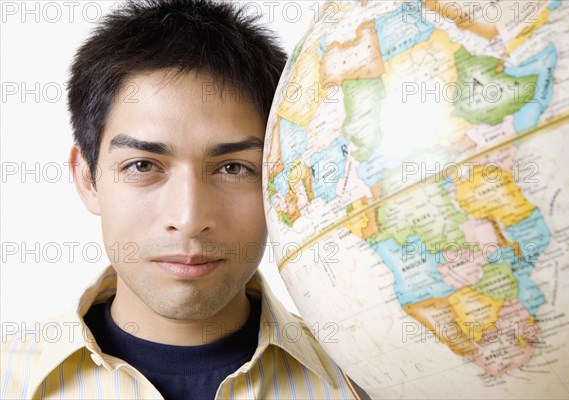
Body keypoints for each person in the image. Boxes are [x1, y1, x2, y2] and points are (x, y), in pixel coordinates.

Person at [0, 0, 365, 398]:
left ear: (278, 180)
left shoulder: (369, 382)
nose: (189, 218)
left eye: (232, 168)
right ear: (88, 178)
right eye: (142, 166)